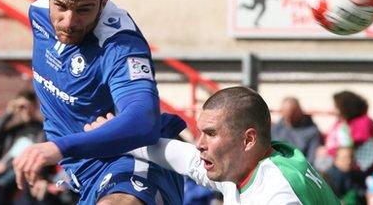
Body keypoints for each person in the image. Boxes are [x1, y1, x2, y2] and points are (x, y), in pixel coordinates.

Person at [12, 0, 184, 204]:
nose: (69, 21)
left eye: (84, 9)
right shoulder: (37, 13)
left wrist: (59, 148)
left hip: (128, 162)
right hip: (81, 171)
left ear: (103, 3)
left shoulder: (121, 46)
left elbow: (142, 120)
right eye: (61, 5)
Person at [87, 87, 340, 204]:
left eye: (210, 133)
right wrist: (117, 138)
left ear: (248, 139)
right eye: (200, 133)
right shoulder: (247, 164)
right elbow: (185, 159)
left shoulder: (278, 195)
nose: (199, 144)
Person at [326, 91, 373, 172]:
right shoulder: (342, 123)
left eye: (336, 107)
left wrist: (339, 154)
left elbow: (357, 144)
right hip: (340, 166)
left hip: (356, 171)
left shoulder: (363, 122)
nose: (334, 110)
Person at [271, 96, 322, 164]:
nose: (289, 119)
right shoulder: (276, 129)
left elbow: (311, 159)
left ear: (299, 111)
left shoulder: (312, 131)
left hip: (299, 168)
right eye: (286, 115)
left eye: (292, 115)